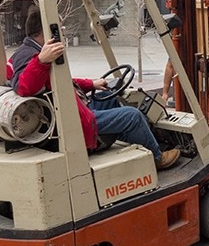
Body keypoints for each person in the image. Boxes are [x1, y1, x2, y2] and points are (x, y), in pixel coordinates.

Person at [10, 11, 179, 169]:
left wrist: (92, 84)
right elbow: (24, 88)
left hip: (71, 110)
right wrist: (41, 60)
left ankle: (135, 139)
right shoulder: (33, 56)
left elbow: (59, 81)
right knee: (132, 115)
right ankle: (157, 158)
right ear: (45, 32)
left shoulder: (28, 50)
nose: (62, 32)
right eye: (59, 29)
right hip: (72, 122)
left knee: (109, 97)